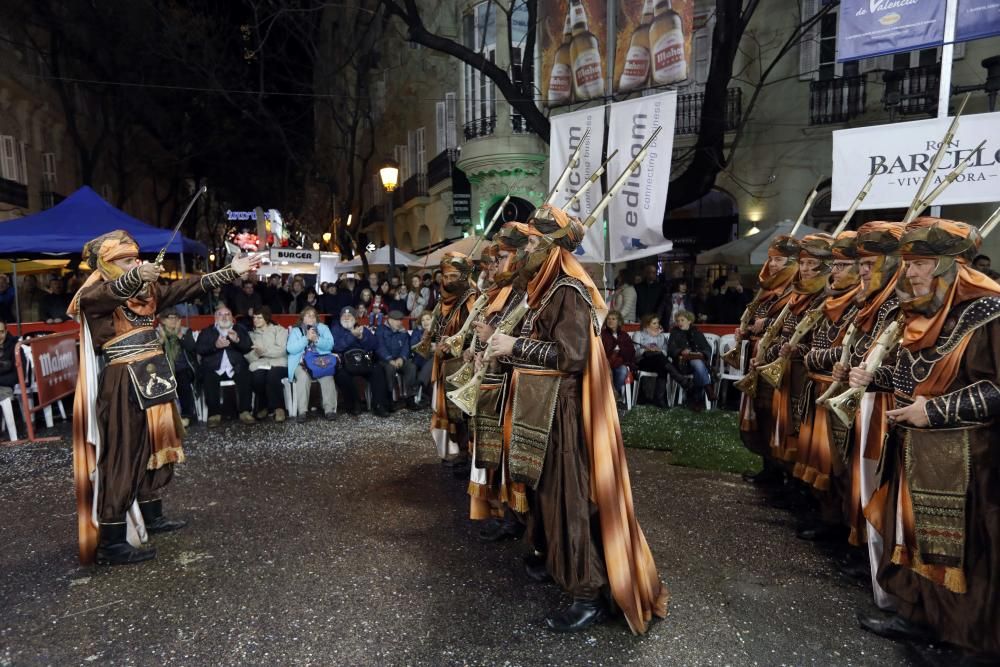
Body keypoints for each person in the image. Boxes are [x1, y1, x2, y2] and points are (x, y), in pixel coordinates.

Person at [485, 204, 667, 633]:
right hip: (541, 408)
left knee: (570, 500)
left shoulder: (568, 288)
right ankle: (558, 564)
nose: (525, 247)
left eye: (532, 241)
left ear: (549, 247)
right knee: (548, 498)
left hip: (562, 414)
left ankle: (588, 593)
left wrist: (512, 347)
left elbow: (573, 356)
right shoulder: (544, 288)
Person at [851, 218, 1000, 663]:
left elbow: (995, 390)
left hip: (970, 462)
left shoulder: (988, 314)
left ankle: (967, 640)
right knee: (912, 539)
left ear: (952, 267)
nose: (909, 273)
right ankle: (919, 616)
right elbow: (910, 375)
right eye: (907, 264)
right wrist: (873, 379)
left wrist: (932, 411)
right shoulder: (920, 313)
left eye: (920, 264)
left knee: (965, 554)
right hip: (915, 450)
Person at [68, 230, 261, 565]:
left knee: (154, 445)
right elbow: (107, 296)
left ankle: (152, 515)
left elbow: (187, 286)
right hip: (123, 380)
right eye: (127, 261)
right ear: (109, 264)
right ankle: (112, 540)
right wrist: (134, 276)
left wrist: (233, 270)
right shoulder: (94, 292)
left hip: (152, 374)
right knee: (124, 453)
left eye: (135, 259)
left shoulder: (147, 291)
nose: (136, 264)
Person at [795, 231, 862, 541]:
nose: (834, 272)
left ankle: (843, 529)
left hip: (838, 393)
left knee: (841, 468)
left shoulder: (861, 303)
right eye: (834, 265)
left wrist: (814, 356)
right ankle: (826, 516)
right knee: (818, 460)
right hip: (817, 387)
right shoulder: (830, 298)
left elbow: (856, 350)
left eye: (842, 265)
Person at [762, 233, 833, 467]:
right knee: (781, 429)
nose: (805, 269)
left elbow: (819, 343)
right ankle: (782, 479)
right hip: (786, 374)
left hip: (804, 377)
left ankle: (795, 488)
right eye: (802, 263)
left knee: (800, 434)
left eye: (812, 264)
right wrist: (768, 355)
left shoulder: (825, 299)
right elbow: (783, 335)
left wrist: (796, 351)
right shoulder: (798, 295)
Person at [737, 236, 799, 486]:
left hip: (776, 359)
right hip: (757, 353)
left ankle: (782, 474)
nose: (773, 265)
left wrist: (770, 324)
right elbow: (755, 317)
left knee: (775, 415)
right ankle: (769, 469)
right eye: (771, 259)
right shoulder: (767, 288)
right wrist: (746, 330)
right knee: (761, 412)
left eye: (780, 260)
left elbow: (795, 321)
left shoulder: (795, 289)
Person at [416, 252, 480, 465]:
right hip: (445, 364)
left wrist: (454, 342)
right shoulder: (443, 300)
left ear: (463, 275)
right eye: (445, 276)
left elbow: (479, 331)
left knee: (463, 413)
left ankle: (466, 454)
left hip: (465, 364)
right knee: (449, 412)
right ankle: (455, 450)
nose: (448, 280)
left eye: (453, 276)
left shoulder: (472, 298)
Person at [196, 305, 255, 428]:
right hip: (213, 366)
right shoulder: (207, 331)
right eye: (220, 314)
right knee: (209, 376)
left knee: (245, 373)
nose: (224, 317)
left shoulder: (239, 329)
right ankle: (214, 414)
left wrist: (237, 340)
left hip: (236, 366)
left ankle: (245, 411)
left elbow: (248, 347)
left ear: (232, 317)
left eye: (227, 314)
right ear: (215, 318)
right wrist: (215, 346)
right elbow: (199, 349)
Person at [330, 306, 388, 417]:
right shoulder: (335, 329)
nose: (346, 318)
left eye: (349, 315)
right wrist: (352, 336)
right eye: (344, 316)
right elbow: (336, 347)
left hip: (363, 361)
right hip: (345, 363)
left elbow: (374, 345)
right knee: (341, 375)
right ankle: (354, 404)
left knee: (378, 370)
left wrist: (362, 336)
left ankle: (379, 405)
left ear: (355, 318)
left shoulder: (363, 328)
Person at [287, 306, 336, 423]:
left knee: (327, 376)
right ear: (302, 318)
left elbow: (330, 345)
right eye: (308, 315)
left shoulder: (323, 328)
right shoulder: (295, 331)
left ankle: (329, 410)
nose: (311, 318)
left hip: (320, 361)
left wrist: (317, 340)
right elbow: (290, 349)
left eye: (314, 316)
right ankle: (302, 411)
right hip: (302, 362)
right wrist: (306, 338)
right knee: (303, 377)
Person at [632, 314, 690, 407]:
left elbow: (665, 352)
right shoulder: (638, 334)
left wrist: (659, 350)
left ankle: (659, 400)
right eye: (654, 323)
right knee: (661, 361)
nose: (657, 325)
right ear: (647, 325)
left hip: (658, 361)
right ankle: (680, 380)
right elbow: (635, 353)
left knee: (661, 363)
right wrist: (647, 349)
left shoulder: (661, 336)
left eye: (658, 323)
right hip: (643, 361)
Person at [157, 308, 199, 427]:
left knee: (183, 380)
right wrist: (161, 340)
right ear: (163, 321)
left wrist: (180, 335)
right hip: (163, 369)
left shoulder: (185, 331)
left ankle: (186, 416)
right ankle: (166, 417)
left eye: (176, 317)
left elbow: (192, 348)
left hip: (183, 368)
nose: (174, 320)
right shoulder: (156, 333)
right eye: (170, 318)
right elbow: (153, 354)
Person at [246, 307, 289, 422]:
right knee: (257, 377)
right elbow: (248, 355)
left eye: (259, 317)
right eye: (254, 317)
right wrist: (257, 354)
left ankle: (279, 408)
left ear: (266, 318)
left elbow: (281, 350)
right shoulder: (251, 335)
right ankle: (264, 406)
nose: (256, 320)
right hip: (260, 363)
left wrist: (263, 352)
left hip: (279, 362)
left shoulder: (279, 330)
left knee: (273, 374)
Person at [667, 310, 714, 410]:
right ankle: (707, 389)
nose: (679, 323)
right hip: (681, 364)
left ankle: (696, 401)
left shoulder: (697, 332)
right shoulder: (675, 333)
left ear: (689, 321)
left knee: (697, 364)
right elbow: (670, 350)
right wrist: (681, 351)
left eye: (682, 320)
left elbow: (707, 348)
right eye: (678, 321)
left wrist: (701, 353)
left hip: (696, 363)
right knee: (698, 365)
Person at [376, 310, 420, 410]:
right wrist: (389, 359)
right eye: (397, 320)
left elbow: (406, 346)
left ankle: (410, 398)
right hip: (385, 360)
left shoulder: (403, 331)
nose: (400, 322)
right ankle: (390, 399)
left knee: (411, 367)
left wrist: (402, 358)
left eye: (401, 320)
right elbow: (380, 347)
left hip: (400, 359)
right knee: (390, 369)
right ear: (390, 320)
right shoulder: (381, 330)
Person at [600, 310, 635, 401]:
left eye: (613, 319)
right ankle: (612, 396)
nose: (610, 321)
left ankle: (611, 395)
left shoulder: (624, 335)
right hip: (605, 364)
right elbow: (600, 351)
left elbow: (631, 351)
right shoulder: (602, 334)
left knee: (623, 370)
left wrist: (620, 348)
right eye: (608, 319)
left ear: (619, 321)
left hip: (619, 363)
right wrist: (613, 349)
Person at [0, 318, 18, 390]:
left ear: (6, 331)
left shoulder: (15, 347)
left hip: (5, 389)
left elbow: (18, 376)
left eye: (1, 332)